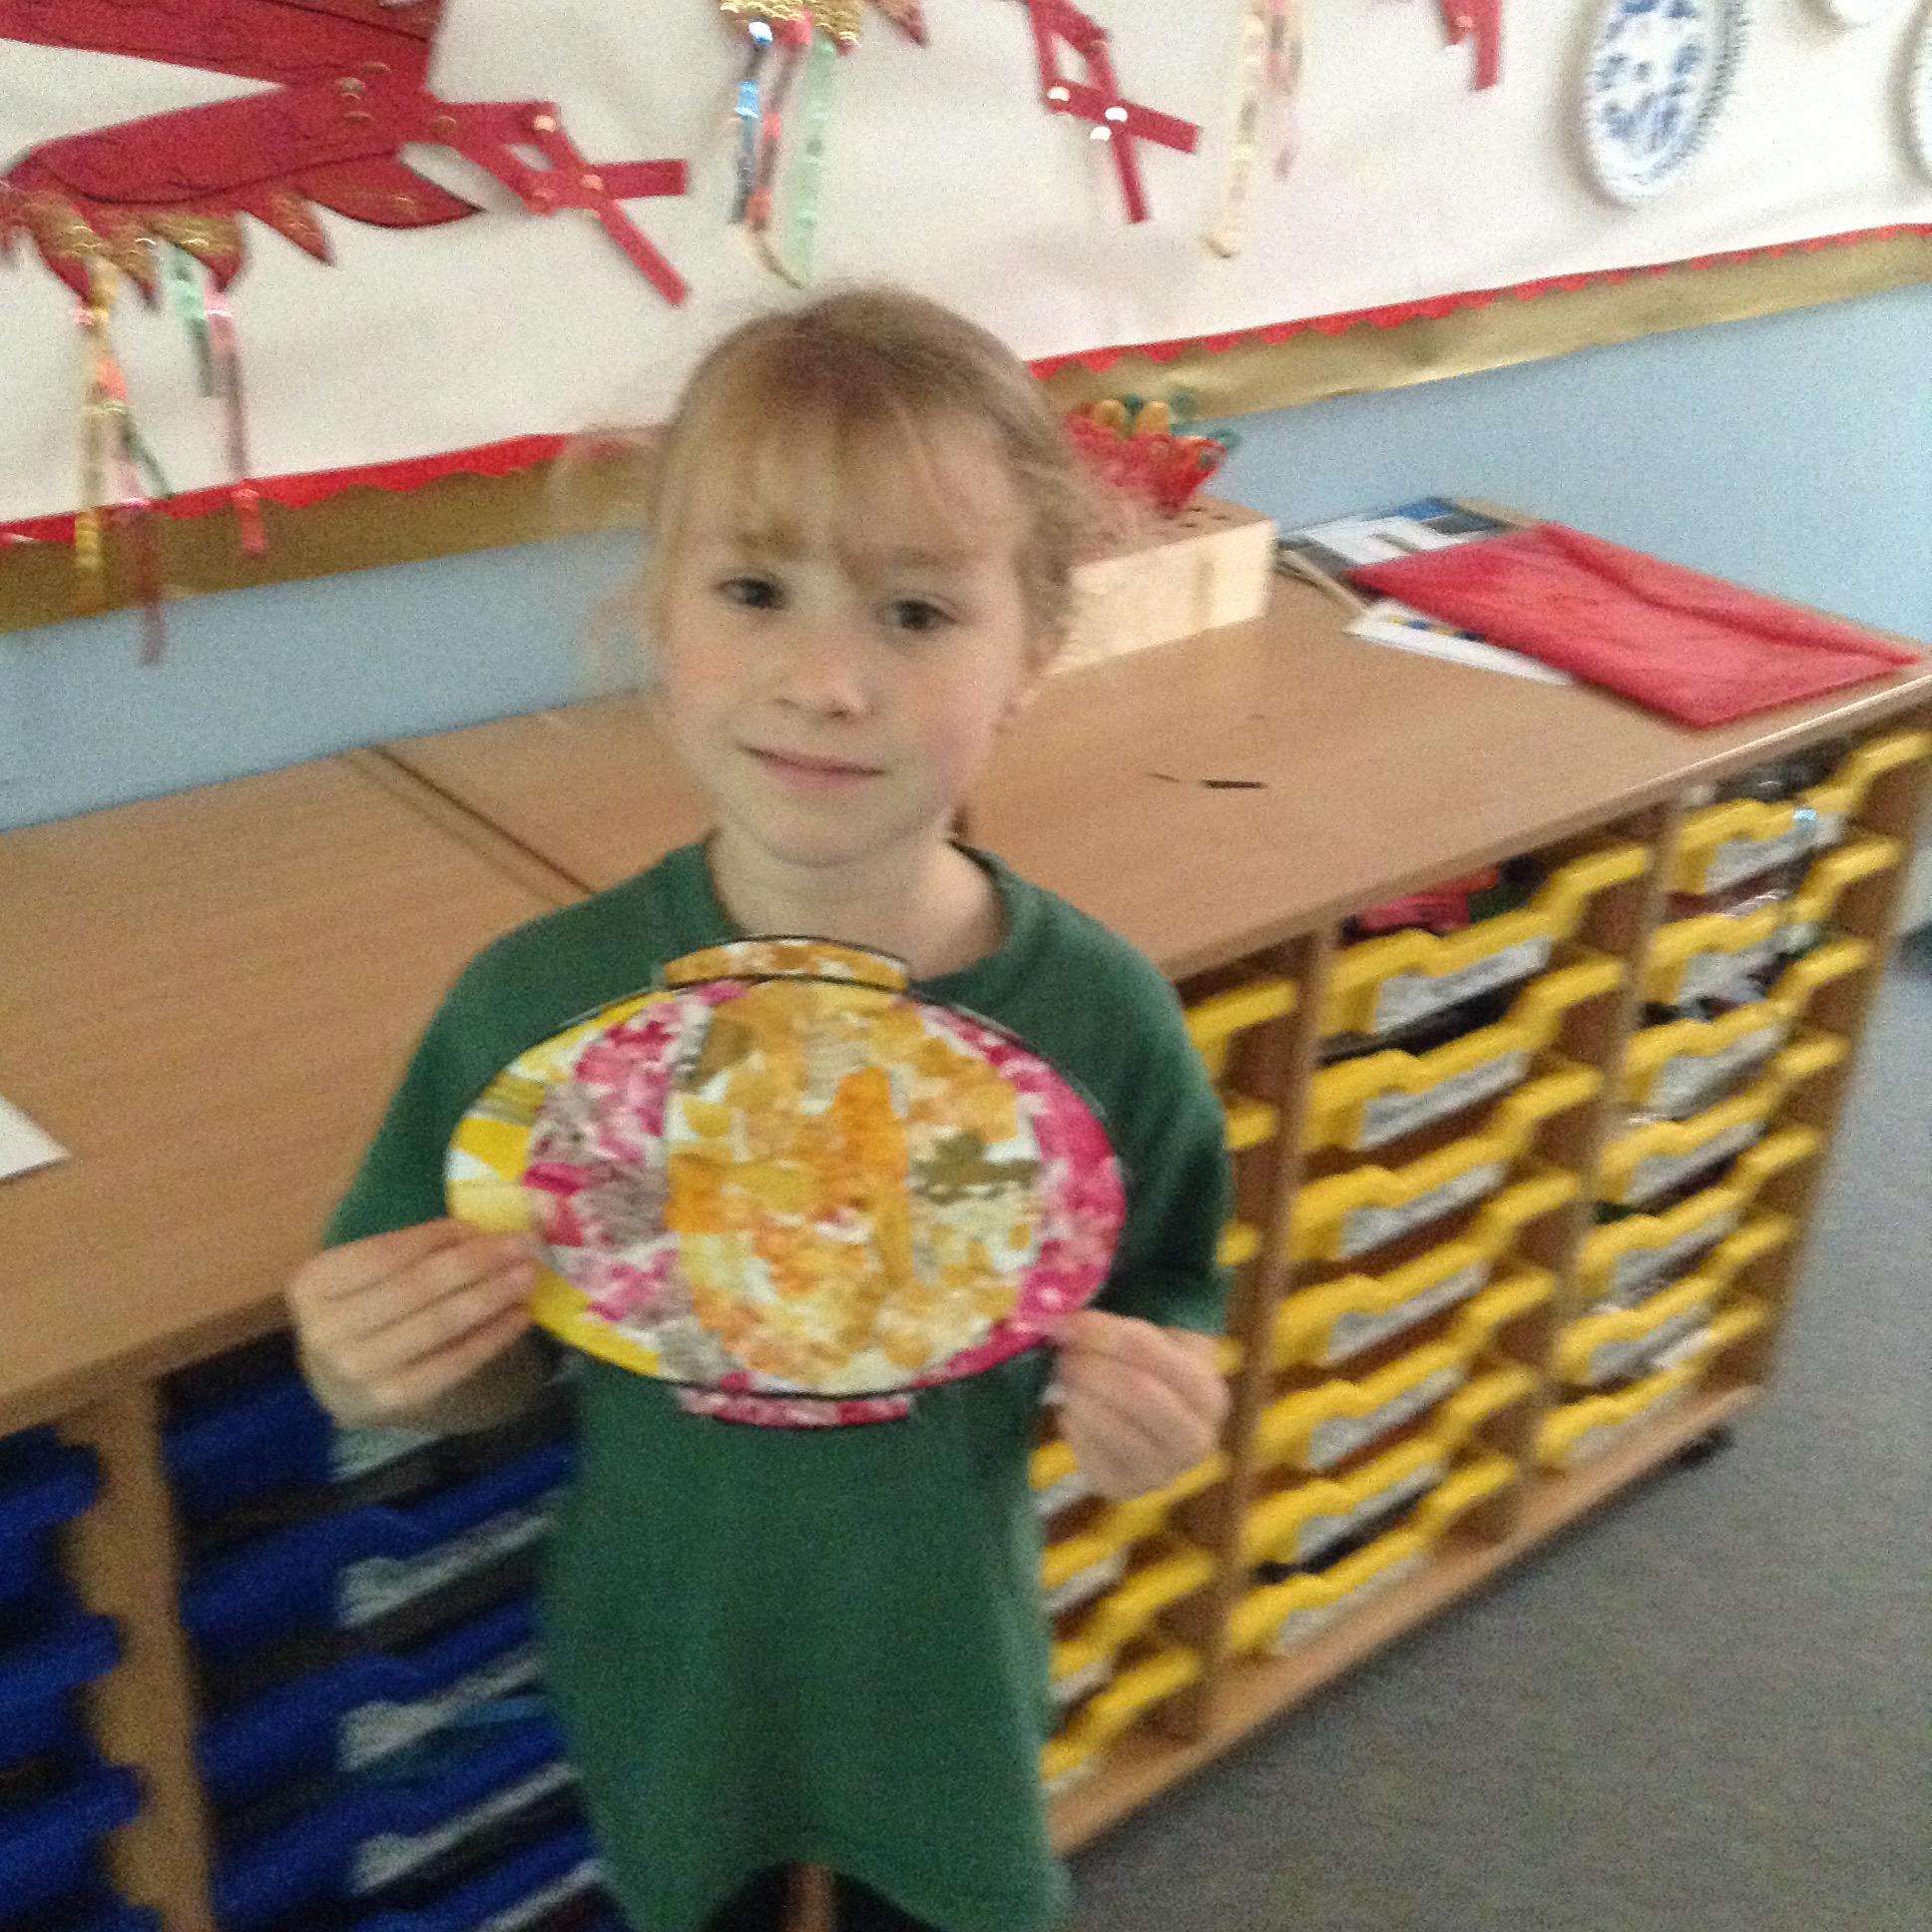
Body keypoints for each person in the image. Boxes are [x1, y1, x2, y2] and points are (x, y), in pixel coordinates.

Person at [288, 286, 1234, 1932]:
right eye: (753, 591)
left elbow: (1163, 1280)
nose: (826, 682)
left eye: (916, 614)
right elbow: (478, 1358)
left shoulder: (1098, 1022)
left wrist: (1162, 1402)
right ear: (659, 615)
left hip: (940, 1666)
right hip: (669, 1651)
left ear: (1034, 650)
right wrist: (385, 1362)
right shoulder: (534, 1010)